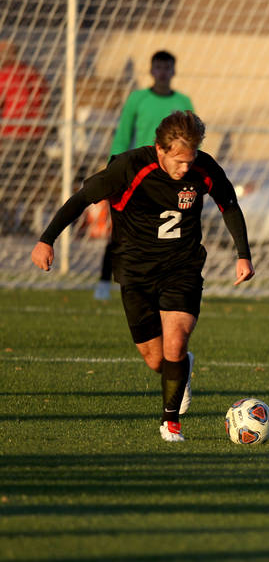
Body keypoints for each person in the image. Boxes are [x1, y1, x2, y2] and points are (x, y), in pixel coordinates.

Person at [31, 111, 254, 442]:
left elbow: (229, 204)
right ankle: (180, 369)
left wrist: (243, 254)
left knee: (176, 339)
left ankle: (171, 423)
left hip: (183, 266)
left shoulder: (204, 168)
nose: (185, 168)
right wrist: (46, 239)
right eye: (178, 161)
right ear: (159, 149)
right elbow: (81, 199)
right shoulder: (129, 167)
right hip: (135, 270)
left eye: (189, 159)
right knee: (155, 359)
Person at [96, 50, 194, 301]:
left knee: (168, 231)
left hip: (169, 178)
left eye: (167, 67)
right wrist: (113, 169)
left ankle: (169, 283)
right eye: (158, 67)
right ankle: (104, 281)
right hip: (139, 174)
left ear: (173, 71)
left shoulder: (183, 102)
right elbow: (122, 135)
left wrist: (189, 169)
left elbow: (193, 141)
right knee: (122, 229)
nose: (162, 72)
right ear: (152, 70)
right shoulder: (137, 99)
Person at [0, 39, 50, 233]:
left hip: (13, 133)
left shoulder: (5, 74)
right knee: (30, 180)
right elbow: (45, 100)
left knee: (9, 178)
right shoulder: (32, 73)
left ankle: (8, 222)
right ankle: (26, 222)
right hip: (36, 133)